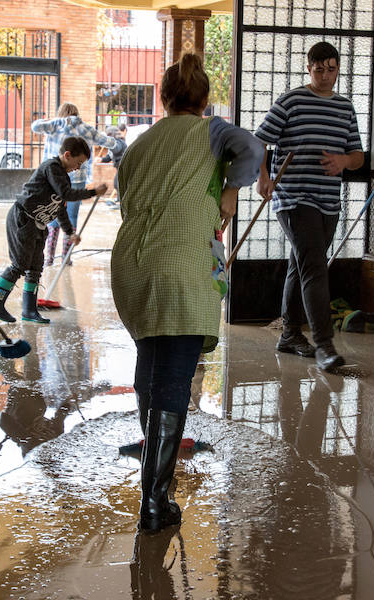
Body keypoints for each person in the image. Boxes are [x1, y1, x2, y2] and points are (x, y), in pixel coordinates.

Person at [111, 52, 263, 532]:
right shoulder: (212, 131)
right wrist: (233, 190)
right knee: (172, 380)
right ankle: (154, 503)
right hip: (179, 269)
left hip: (133, 267)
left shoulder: (140, 143)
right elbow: (255, 151)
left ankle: (155, 485)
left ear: (164, 98)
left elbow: (125, 195)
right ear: (204, 100)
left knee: (150, 368)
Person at [254, 41, 364, 372]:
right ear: (308, 68)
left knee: (300, 264)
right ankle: (325, 346)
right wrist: (263, 176)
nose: (327, 76)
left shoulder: (345, 108)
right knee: (315, 266)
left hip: (328, 200)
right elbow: (259, 140)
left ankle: (289, 335)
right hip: (293, 196)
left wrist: (344, 160)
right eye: (320, 69)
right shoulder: (291, 101)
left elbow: (357, 156)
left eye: (332, 69)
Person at [0, 136, 106, 324]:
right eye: (79, 162)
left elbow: (60, 208)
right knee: (20, 264)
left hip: (39, 225)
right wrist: (92, 192)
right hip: (24, 218)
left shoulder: (62, 177)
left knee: (35, 267)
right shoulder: (52, 168)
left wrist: (69, 232)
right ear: (67, 155)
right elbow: (66, 194)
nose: (79, 167)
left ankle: (29, 311)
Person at [31, 103, 116, 266]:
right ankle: (66, 258)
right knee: (72, 217)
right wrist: (119, 142)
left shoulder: (55, 126)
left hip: (51, 181)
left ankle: (48, 258)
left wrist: (54, 121)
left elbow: (35, 126)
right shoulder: (86, 129)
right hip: (77, 180)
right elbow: (109, 143)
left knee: (52, 218)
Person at [98, 125, 127, 208]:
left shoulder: (118, 141)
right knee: (117, 183)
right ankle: (119, 200)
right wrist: (101, 159)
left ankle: (121, 203)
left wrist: (108, 143)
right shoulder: (113, 143)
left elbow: (117, 149)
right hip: (119, 167)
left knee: (118, 183)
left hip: (124, 166)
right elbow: (109, 157)